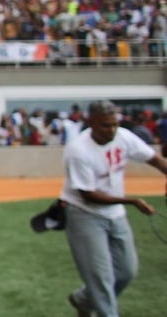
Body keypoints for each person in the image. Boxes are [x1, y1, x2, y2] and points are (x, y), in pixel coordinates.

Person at [60, 100, 167, 317]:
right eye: (105, 125)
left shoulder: (123, 137)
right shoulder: (78, 150)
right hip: (84, 213)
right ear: (90, 122)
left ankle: (83, 299)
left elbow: (154, 159)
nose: (111, 130)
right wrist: (132, 201)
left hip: (115, 214)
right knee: (101, 278)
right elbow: (88, 195)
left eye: (114, 124)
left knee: (127, 271)